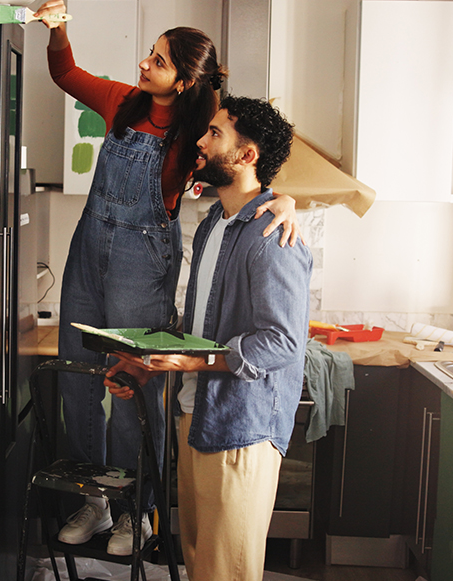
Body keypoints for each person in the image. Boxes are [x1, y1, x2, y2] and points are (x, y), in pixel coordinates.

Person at [34, 0, 302, 556]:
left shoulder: (200, 135)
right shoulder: (123, 103)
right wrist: (58, 30)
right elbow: (64, 72)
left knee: (135, 385)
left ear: (184, 82)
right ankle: (97, 503)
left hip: (142, 262)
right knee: (78, 380)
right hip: (88, 252)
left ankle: (138, 510)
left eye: (157, 59)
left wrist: (289, 203)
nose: (144, 64)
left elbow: (254, 164)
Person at [105, 95, 311, 580]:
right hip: (196, 416)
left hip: (241, 426)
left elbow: (282, 342)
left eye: (215, 133)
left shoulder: (274, 236)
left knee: (228, 572)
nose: (200, 139)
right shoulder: (214, 223)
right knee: (202, 564)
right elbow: (198, 325)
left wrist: (193, 365)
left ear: (247, 156)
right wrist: (141, 361)